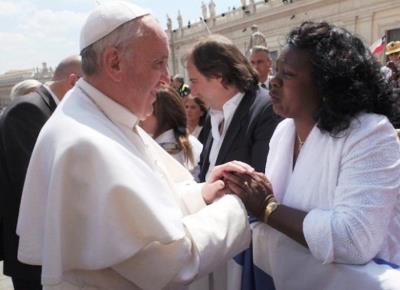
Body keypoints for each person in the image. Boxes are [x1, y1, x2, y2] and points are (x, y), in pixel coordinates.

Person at [16, 2, 251, 289]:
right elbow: (172, 262)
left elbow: (150, 201)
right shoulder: (84, 144)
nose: (167, 79)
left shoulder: (103, 118)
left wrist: (203, 193)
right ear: (114, 62)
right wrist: (238, 204)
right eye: (158, 64)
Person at [225, 21, 400, 289]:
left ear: (326, 84)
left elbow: (353, 240)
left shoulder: (371, 134)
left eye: (288, 75)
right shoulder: (284, 131)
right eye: (276, 72)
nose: (273, 82)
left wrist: (267, 207)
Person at [186, 34, 280, 290]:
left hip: (245, 254)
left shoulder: (264, 110)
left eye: (194, 81)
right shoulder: (215, 113)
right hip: (215, 244)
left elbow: (261, 185)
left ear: (218, 75)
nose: (191, 91)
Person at [0, 55, 81, 290]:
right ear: (73, 82)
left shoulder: (44, 108)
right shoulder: (28, 110)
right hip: (34, 257)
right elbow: (34, 186)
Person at [140, 86, 203, 177]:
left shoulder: (160, 150)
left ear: (159, 115)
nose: (142, 116)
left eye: (147, 109)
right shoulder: (191, 140)